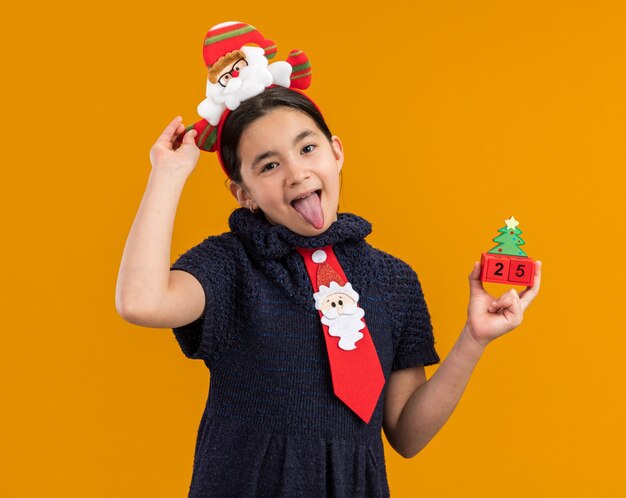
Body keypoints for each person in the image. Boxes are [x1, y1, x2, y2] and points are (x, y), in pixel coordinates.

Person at [115, 23, 541, 498]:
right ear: (244, 194)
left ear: (336, 153)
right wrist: (168, 175)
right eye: (269, 165)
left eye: (307, 148)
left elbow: (407, 433)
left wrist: (474, 339)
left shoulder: (394, 282)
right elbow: (142, 300)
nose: (297, 172)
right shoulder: (230, 265)